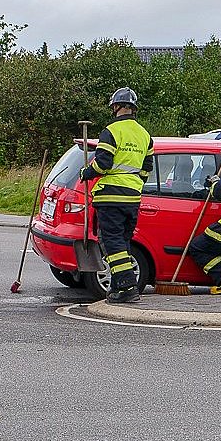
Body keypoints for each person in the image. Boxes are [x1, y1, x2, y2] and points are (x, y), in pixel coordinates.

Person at [80, 87, 154, 304]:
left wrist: (86, 172)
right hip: (132, 197)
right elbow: (146, 169)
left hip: (111, 196)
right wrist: (132, 183)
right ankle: (117, 288)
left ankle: (127, 285)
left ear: (116, 106)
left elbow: (103, 164)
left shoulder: (111, 131)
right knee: (122, 242)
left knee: (111, 243)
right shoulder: (144, 135)